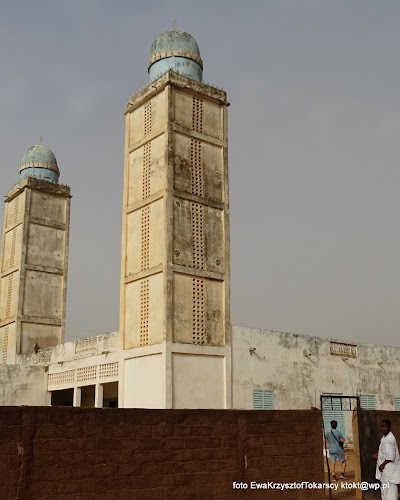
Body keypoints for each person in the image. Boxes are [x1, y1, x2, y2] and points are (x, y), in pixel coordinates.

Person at [374, 419, 400, 500]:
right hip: (386, 472)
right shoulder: (385, 437)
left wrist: (382, 464)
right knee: (385, 492)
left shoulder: (389, 439)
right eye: (382, 427)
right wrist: (379, 456)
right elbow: (386, 452)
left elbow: (391, 456)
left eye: (385, 427)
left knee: (390, 493)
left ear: (389, 427)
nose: (383, 429)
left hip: (390, 472)